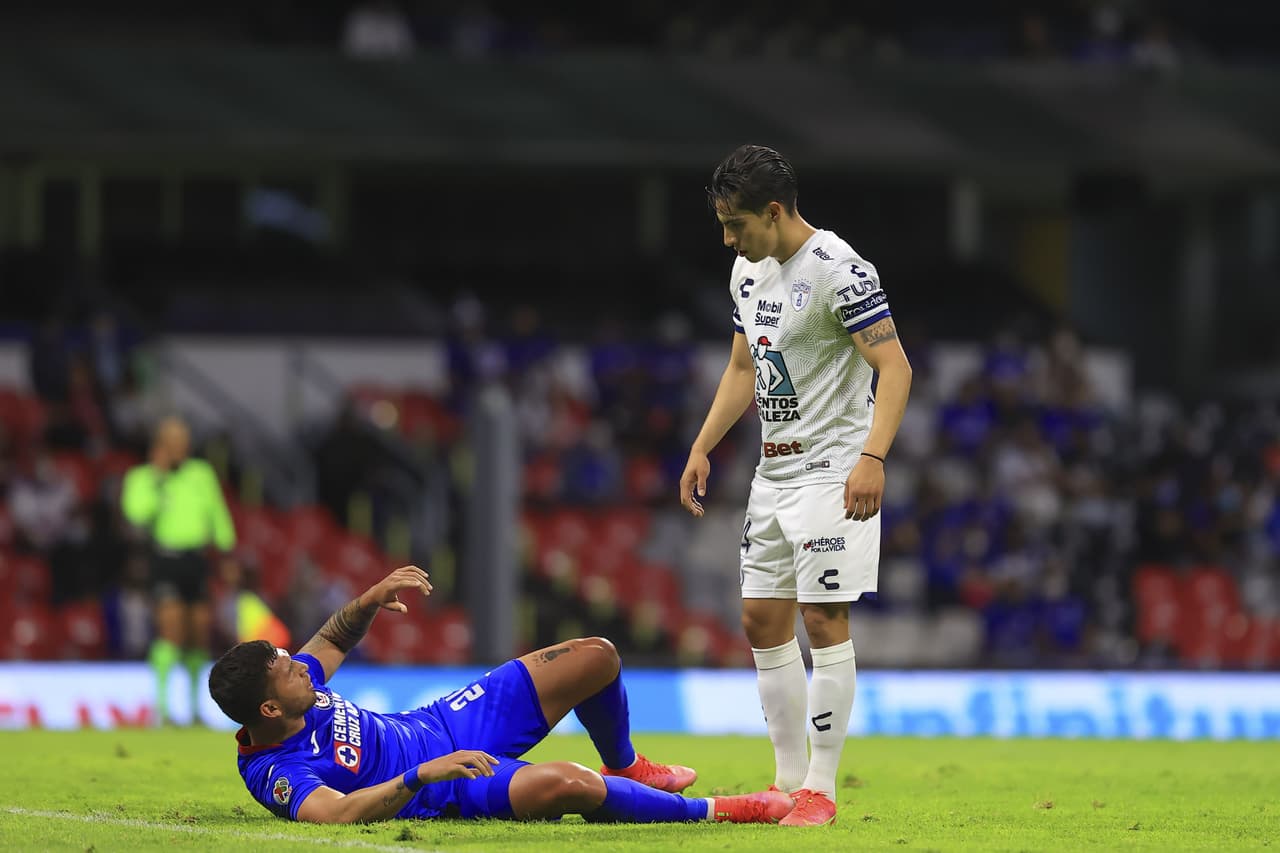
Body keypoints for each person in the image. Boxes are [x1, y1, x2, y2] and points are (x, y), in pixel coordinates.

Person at [679, 144, 913, 826]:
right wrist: (702, 444)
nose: (728, 237)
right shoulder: (745, 274)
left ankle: (821, 786)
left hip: (834, 465)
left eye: (736, 223)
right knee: (759, 618)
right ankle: (784, 781)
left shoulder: (840, 269)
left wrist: (873, 456)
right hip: (772, 470)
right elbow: (743, 368)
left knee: (822, 616)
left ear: (774, 211)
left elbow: (894, 368)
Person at [209, 564, 792, 825]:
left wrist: (367, 601)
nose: (303, 668)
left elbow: (332, 638)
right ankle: (721, 812)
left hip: (440, 722)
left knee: (599, 657)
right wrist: (422, 777)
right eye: (288, 670)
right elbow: (334, 815)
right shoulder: (277, 772)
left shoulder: (293, 693)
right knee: (572, 785)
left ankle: (630, 767)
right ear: (268, 709)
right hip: (448, 785)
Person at [122, 415, 237, 724]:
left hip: (197, 560)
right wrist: (159, 480)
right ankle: (161, 707)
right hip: (165, 559)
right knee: (171, 628)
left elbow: (217, 511)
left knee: (198, 632)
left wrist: (227, 550)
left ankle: (194, 707)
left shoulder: (200, 473)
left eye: (182, 443)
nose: (179, 449)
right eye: (172, 443)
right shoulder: (143, 477)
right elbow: (136, 514)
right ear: (160, 445)